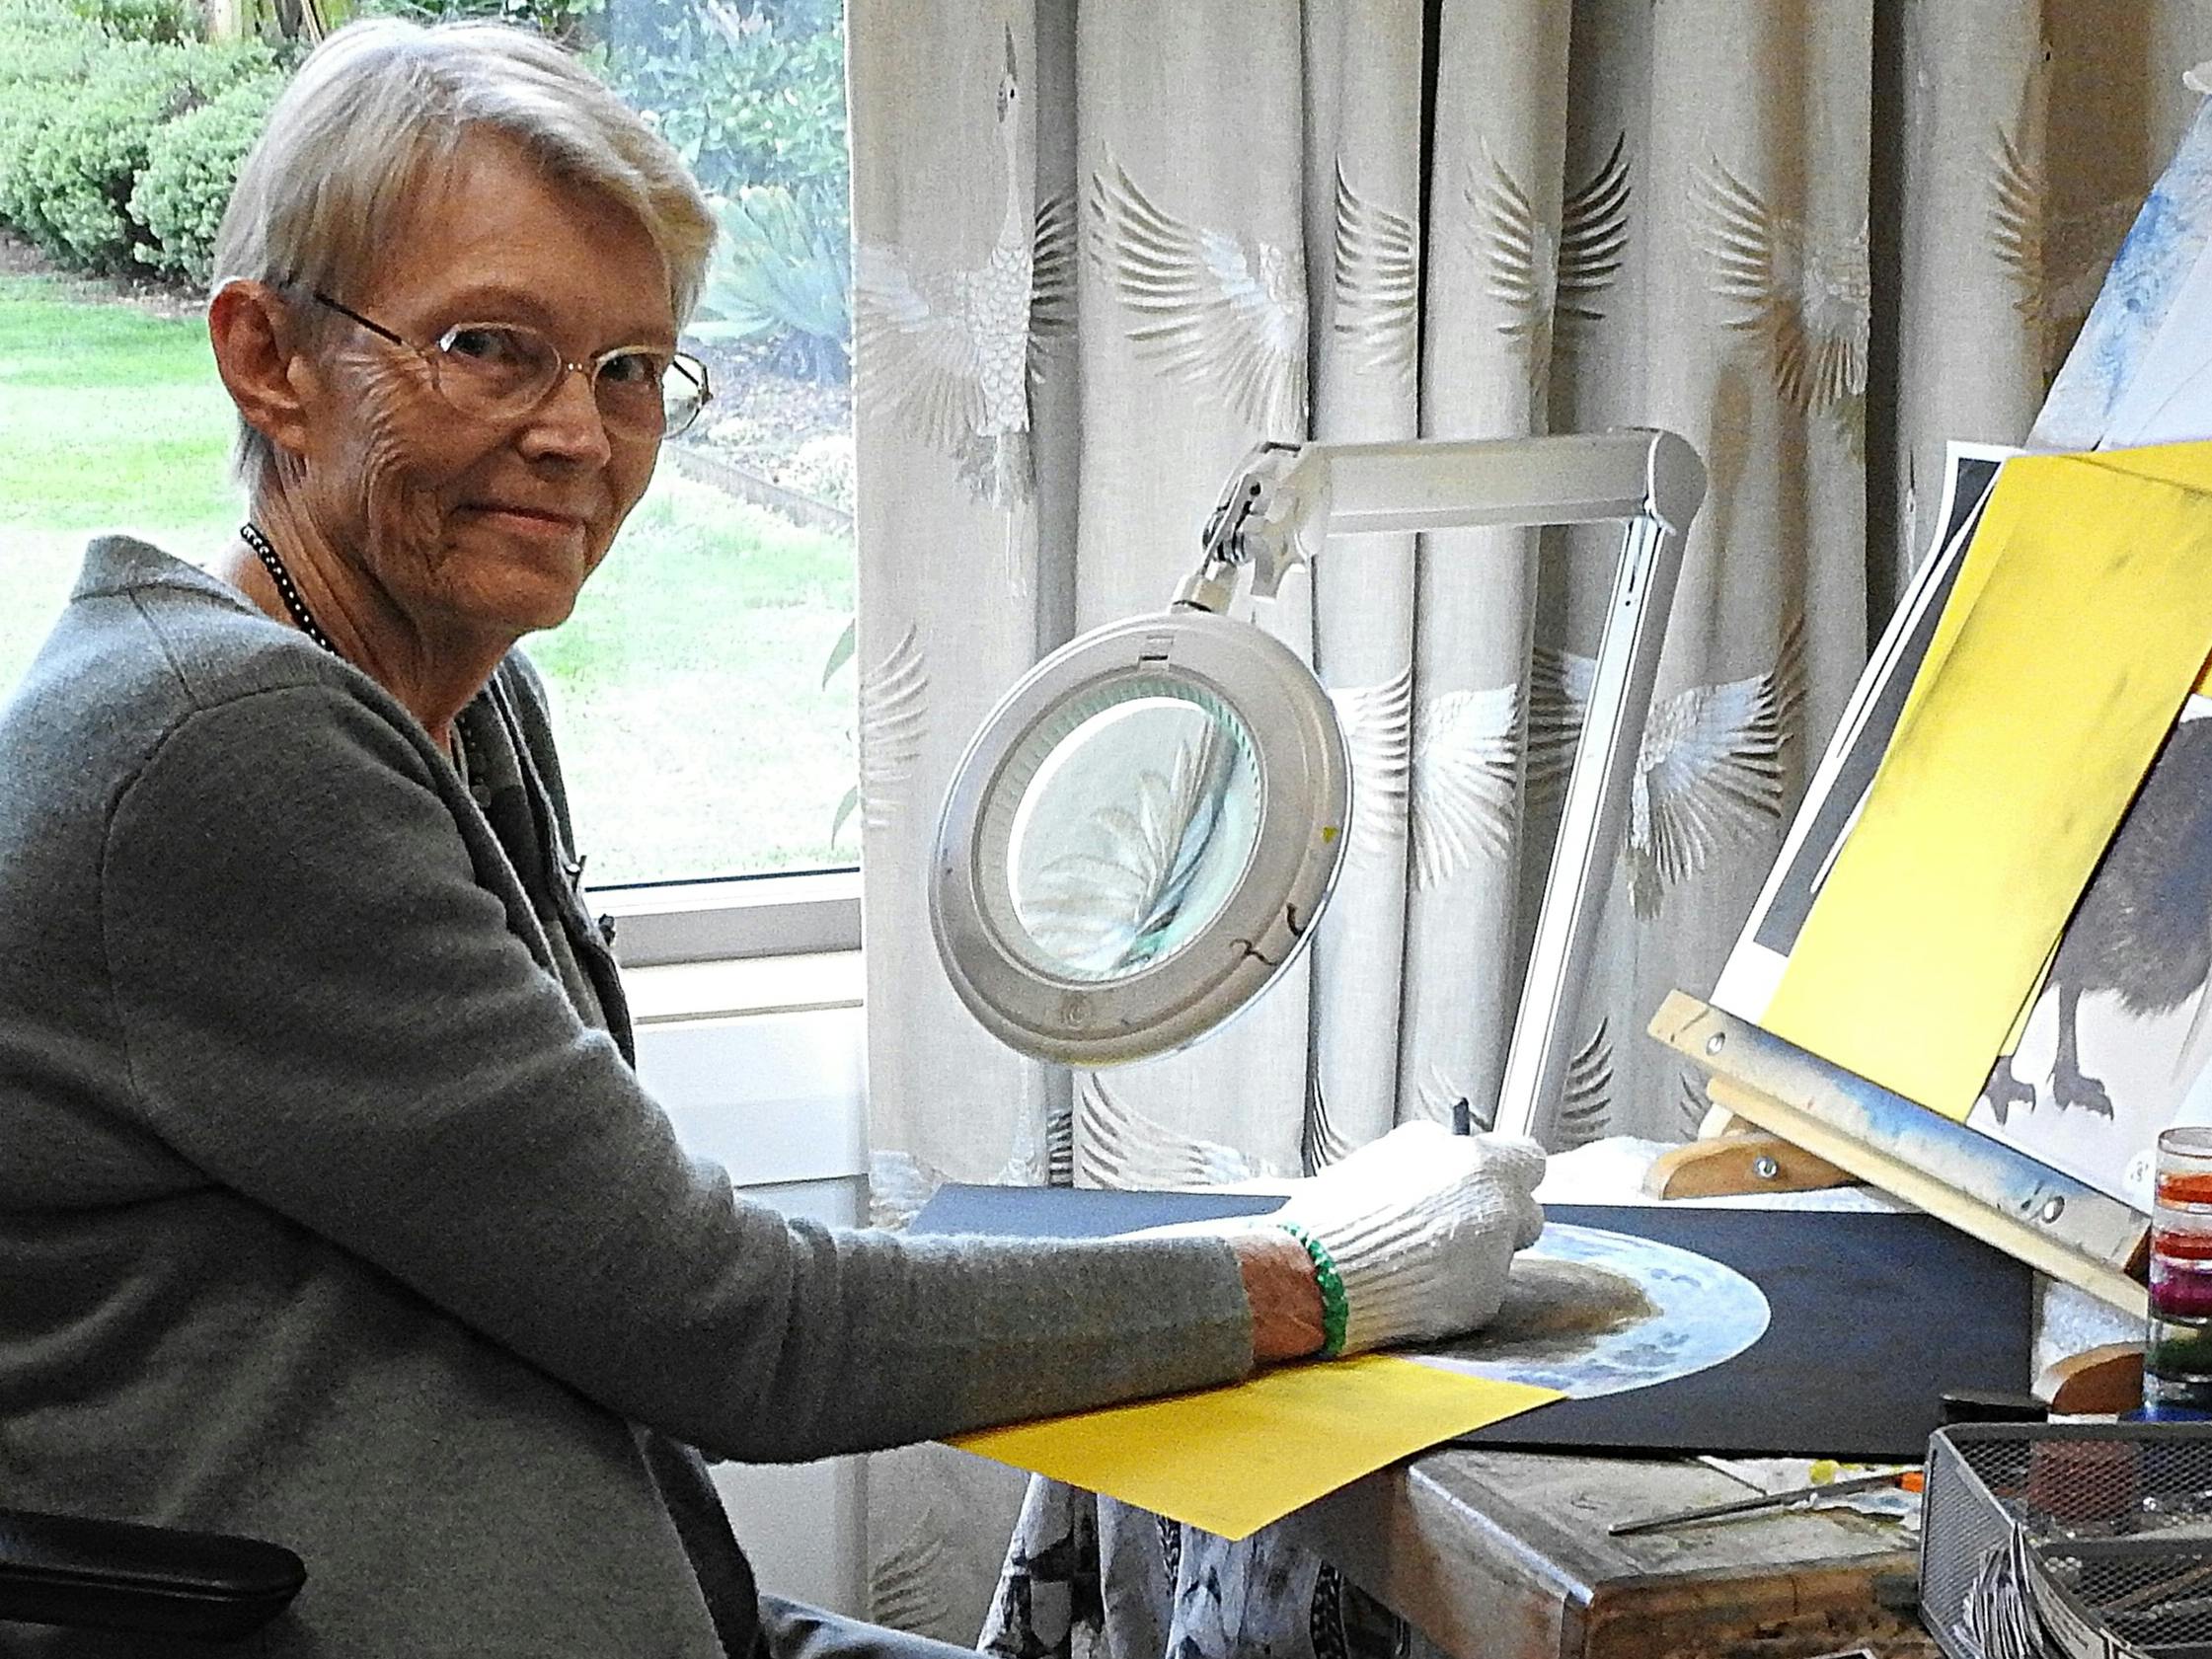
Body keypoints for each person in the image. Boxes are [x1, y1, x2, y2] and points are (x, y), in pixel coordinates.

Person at [0, 19, 1546, 1658]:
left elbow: (605, 1306)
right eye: (490, 347)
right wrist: (1320, 1273)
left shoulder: (459, 695)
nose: (579, 435)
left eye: (629, 369)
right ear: (270, 360)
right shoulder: (223, 753)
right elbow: (739, 1332)